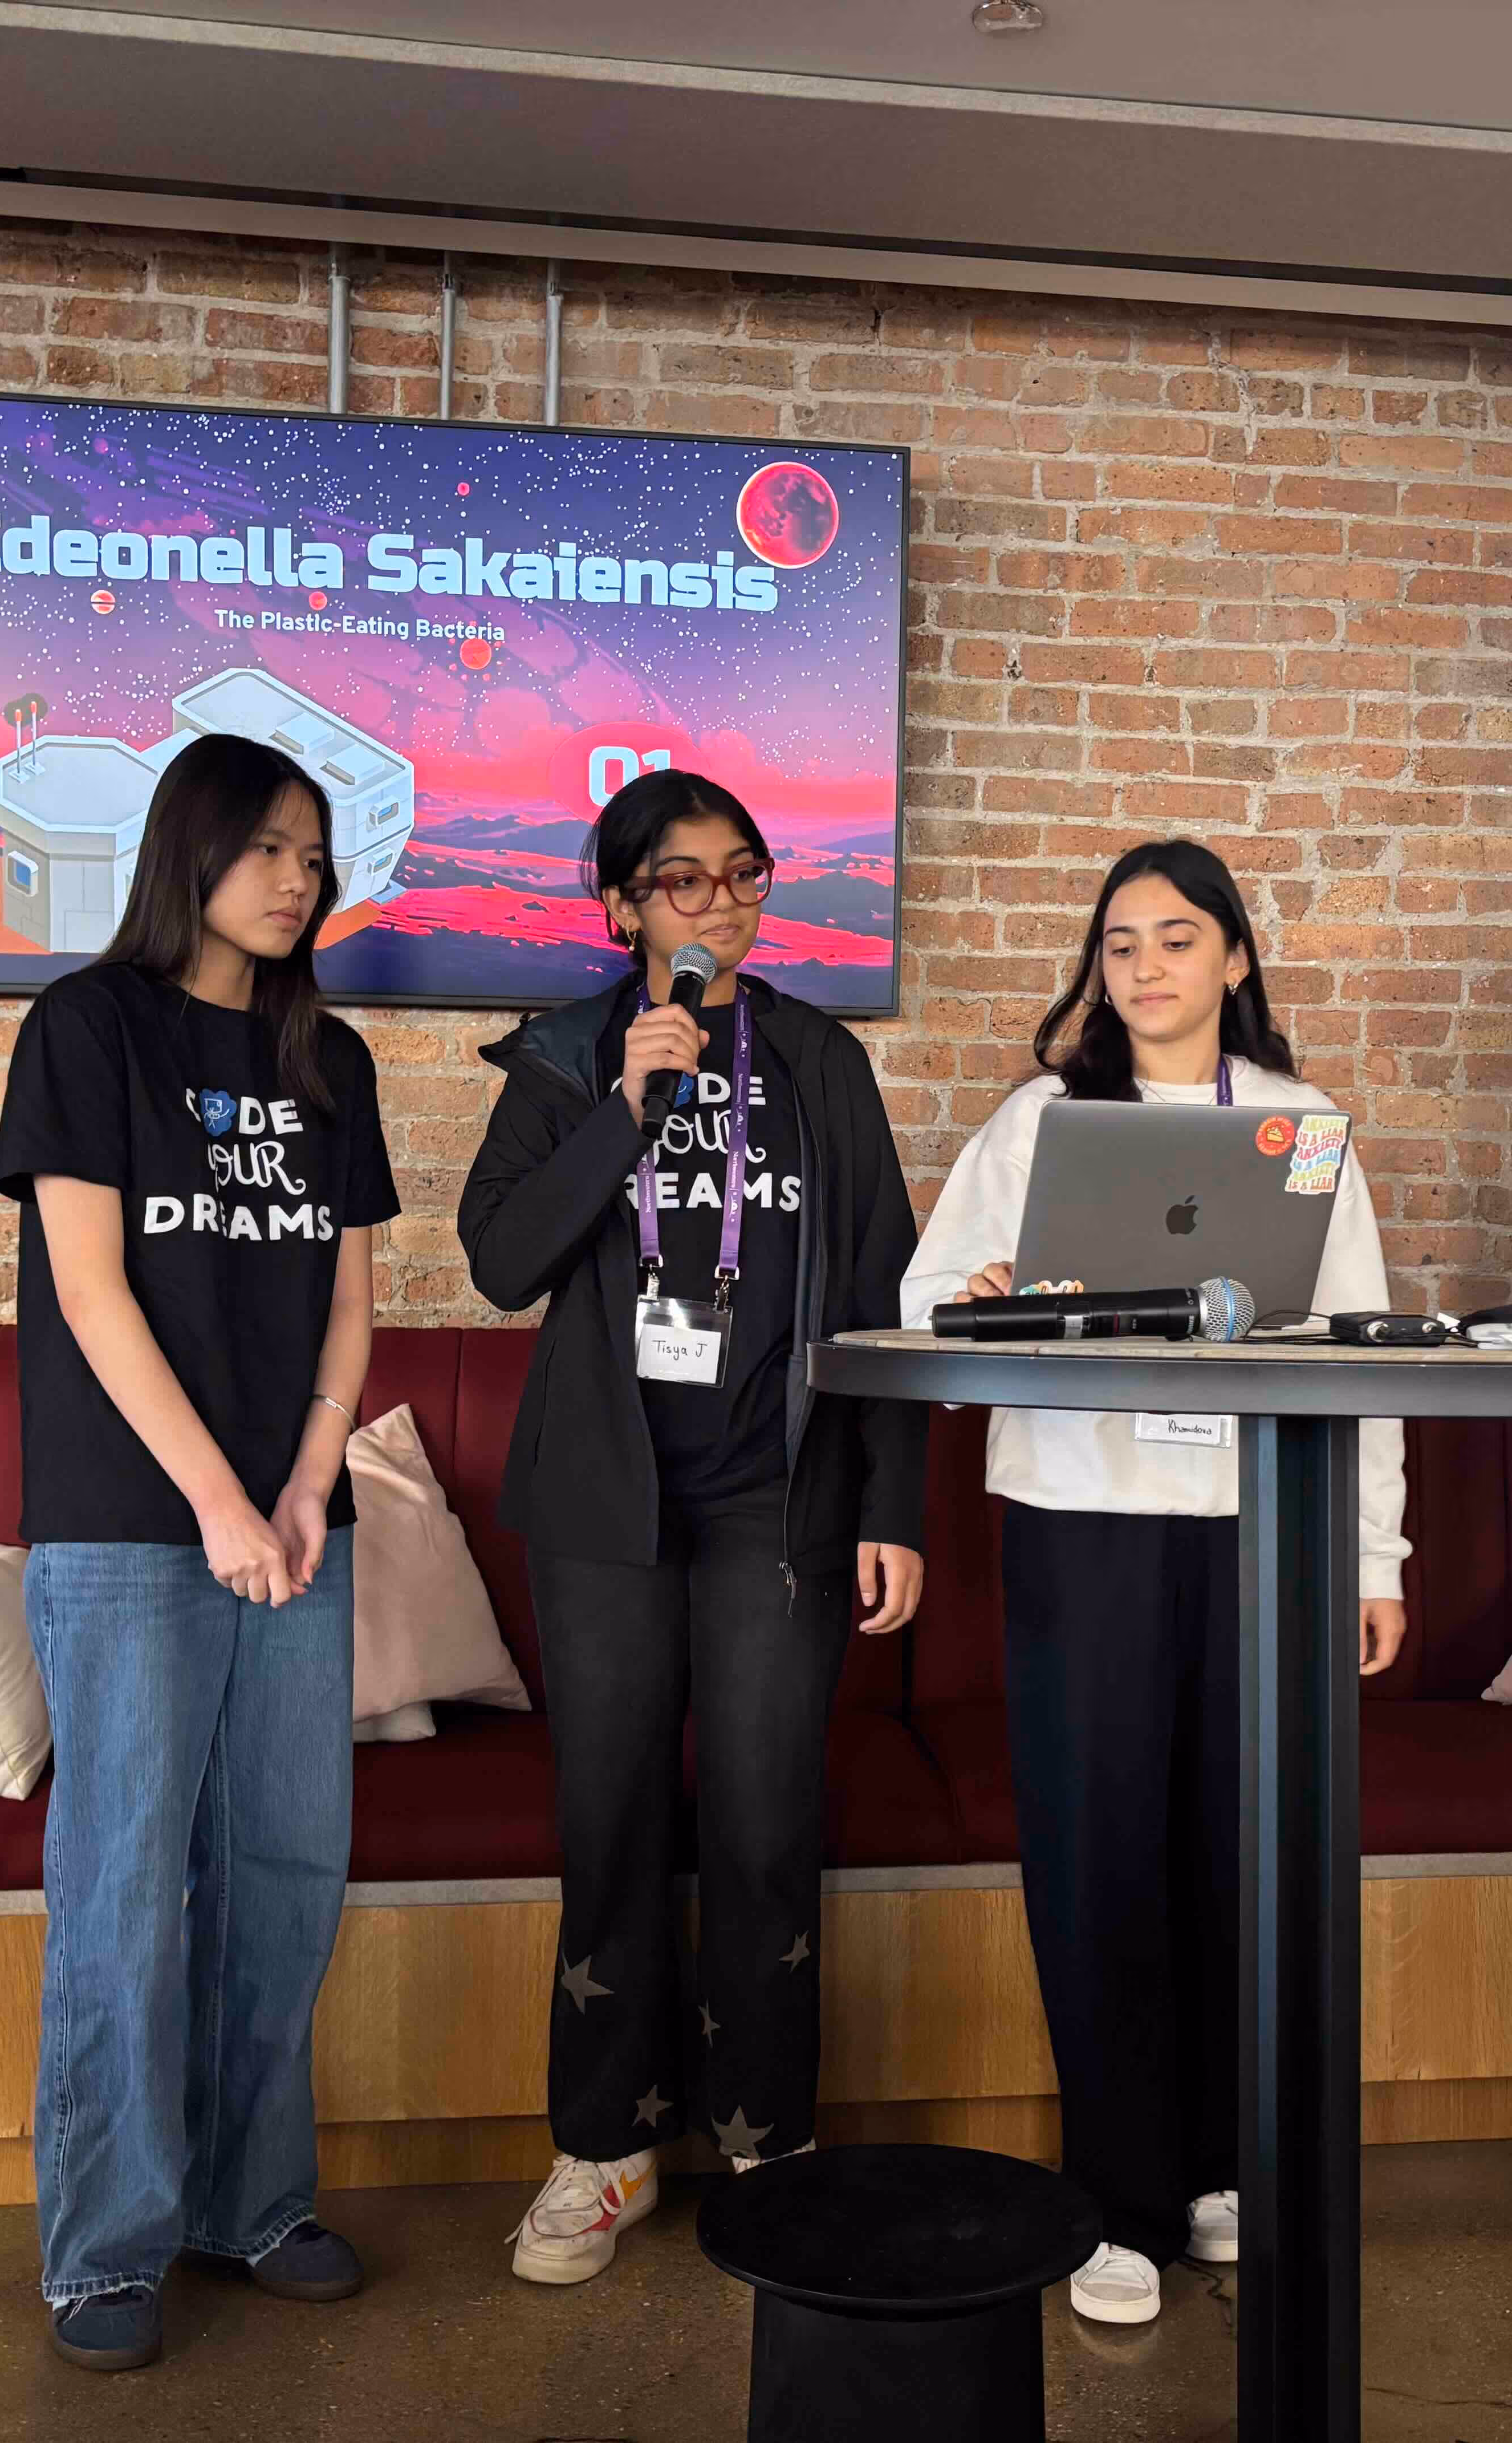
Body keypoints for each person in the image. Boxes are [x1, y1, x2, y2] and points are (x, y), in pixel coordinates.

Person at [900, 839, 1409, 2329]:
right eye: (1120, 943)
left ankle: (1221, 2167)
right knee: (1098, 1851)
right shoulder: (1046, 1119)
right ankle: (1114, 2200)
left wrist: (1375, 1553)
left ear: (1236, 960)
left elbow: (1364, 1353)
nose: (1145, 968)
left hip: (1262, 1527)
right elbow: (927, 1300)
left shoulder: (1303, 1126)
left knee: (1238, 1850)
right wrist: (976, 1302)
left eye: (1177, 940)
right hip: (1083, 1517)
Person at [458, 769, 928, 2285]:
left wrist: (893, 1504)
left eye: (742, 875)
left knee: (764, 1823)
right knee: (609, 1824)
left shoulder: (813, 1061)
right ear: (621, 907)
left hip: (772, 1508)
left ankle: (765, 2134)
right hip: (604, 1509)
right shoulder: (567, 1056)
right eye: (682, 881)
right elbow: (501, 1259)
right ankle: (603, 2150)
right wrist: (623, 1106)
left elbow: (878, 1300)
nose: (718, 903)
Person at [0, 732, 400, 2373]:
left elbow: (353, 1297)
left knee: (290, 1868)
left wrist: (304, 1484)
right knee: (124, 1883)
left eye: (317, 851)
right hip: (131, 1521)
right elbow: (93, 1293)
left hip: (295, 1522)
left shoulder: (333, 1058)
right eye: (270, 847)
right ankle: (106, 2242)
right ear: (193, 849)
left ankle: (255, 2197)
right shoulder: (88, 1029)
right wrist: (220, 1501)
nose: (299, 877)